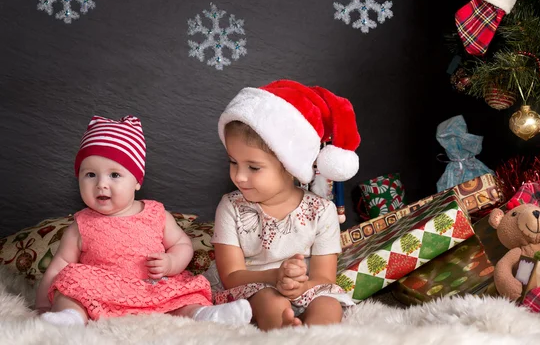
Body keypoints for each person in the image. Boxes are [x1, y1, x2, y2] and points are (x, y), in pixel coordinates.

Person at [35, 115, 252, 326]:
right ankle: (68, 317)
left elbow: (182, 244)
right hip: (102, 292)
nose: (101, 184)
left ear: (137, 181)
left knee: (187, 294)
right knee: (71, 281)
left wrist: (171, 263)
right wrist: (43, 303)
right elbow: (59, 266)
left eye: (114, 175)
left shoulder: (155, 214)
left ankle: (205, 314)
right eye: (90, 174)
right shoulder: (82, 224)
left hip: (154, 287)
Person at [206, 79, 361, 331]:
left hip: (306, 286)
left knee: (329, 305)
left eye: (253, 167)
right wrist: (273, 277)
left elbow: (324, 277)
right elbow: (231, 276)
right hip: (253, 285)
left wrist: (300, 286)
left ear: (290, 167)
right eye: (233, 162)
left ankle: (313, 336)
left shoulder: (321, 211)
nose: (239, 176)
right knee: (270, 301)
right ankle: (284, 332)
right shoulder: (231, 206)